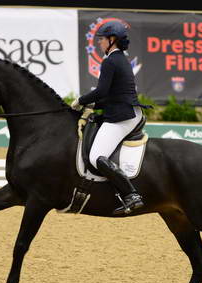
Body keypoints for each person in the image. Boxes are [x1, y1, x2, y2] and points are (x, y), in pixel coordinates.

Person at [71, 20, 145, 215]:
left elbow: (102, 90)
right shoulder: (120, 59)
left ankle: (131, 195)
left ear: (112, 40)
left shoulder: (111, 60)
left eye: (102, 39)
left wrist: (80, 100)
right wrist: (94, 105)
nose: (100, 43)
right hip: (125, 111)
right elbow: (112, 94)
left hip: (123, 116)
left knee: (96, 157)